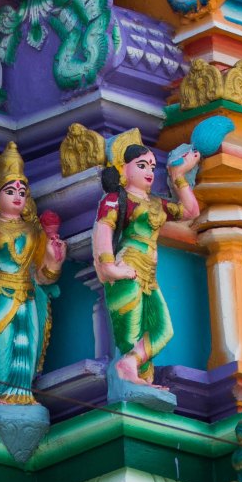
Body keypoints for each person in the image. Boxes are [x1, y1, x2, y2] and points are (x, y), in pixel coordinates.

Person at [92, 132, 200, 388]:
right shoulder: (116, 200)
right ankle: (131, 376)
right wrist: (109, 267)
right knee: (130, 334)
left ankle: (129, 366)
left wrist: (178, 176)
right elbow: (103, 229)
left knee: (163, 330)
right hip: (128, 267)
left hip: (148, 275)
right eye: (141, 166)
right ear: (123, 169)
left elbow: (190, 211)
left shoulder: (155, 204)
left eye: (152, 166)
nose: (149, 171)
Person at [0, 140, 63, 404]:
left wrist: (54, 262)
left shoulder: (34, 231)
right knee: (1, 344)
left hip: (27, 297)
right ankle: (1, 393)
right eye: (10, 191)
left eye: (22, 191)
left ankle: (22, 395)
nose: (18, 196)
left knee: (28, 346)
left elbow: (43, 277)